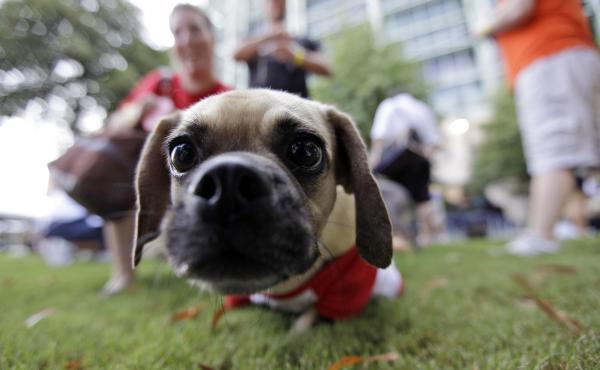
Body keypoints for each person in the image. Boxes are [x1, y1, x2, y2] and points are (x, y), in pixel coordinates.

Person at [101, 3, 230, 294]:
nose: (186, 40)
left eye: (195, 29)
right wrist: (138, 110)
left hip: (195, 185)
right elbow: (115, 126)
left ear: (212, 37)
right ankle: (124, 272)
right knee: (119, 174)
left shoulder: (227, 97)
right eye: (177, 33)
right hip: (150, 177)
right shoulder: (159, 84)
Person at [475, 0, 600, 255]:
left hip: (547, 55)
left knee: (552, 149)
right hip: (567, 50)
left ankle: (541, 235)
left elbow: (520, 8)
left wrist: (485, 28)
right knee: (590, 147)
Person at [369, 92, 444, 248]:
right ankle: (425, 237)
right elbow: (434, 143)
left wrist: (371, 166)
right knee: (422, 199)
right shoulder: (422, 108)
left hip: (398, 161)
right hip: (420, 159)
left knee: (396, 197)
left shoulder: (389, 106)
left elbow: (379, 138)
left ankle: (401, 237)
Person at [232, 0, 331, 98]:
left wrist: (295, 56)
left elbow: (326, 67)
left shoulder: (300, 40)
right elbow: (236, 54)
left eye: (278, 1)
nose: (274, 4)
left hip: (295, 107)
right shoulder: (255, 41)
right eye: (270, 1)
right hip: (261, 107)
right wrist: (270, 35)